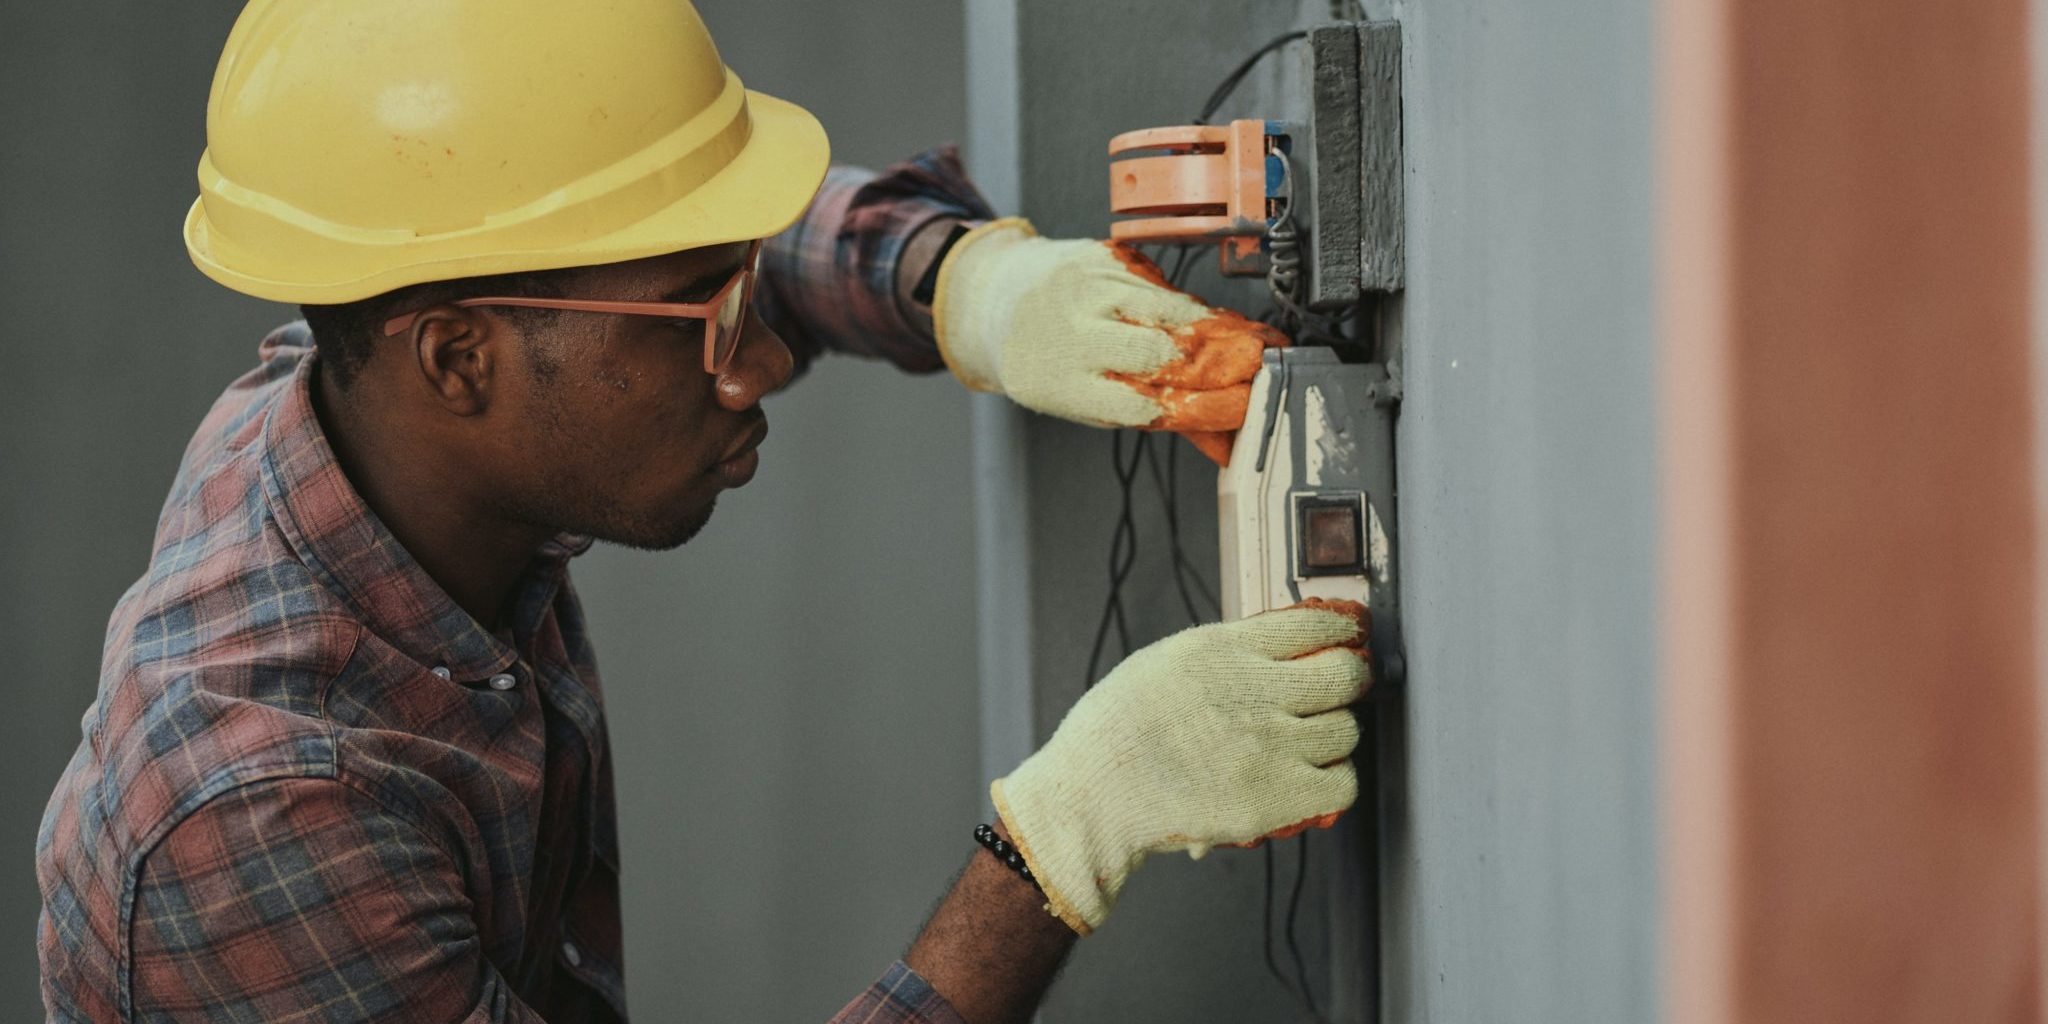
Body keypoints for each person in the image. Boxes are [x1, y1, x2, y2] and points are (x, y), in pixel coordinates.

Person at [34, 2, 1370, 1021]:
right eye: (704, 318)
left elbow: (662, 257)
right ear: (457, 361)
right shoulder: (260, 817)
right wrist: (1059, 843)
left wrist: (962, 282)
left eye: (739, 294)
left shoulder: (374, 383)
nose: (762, 362)